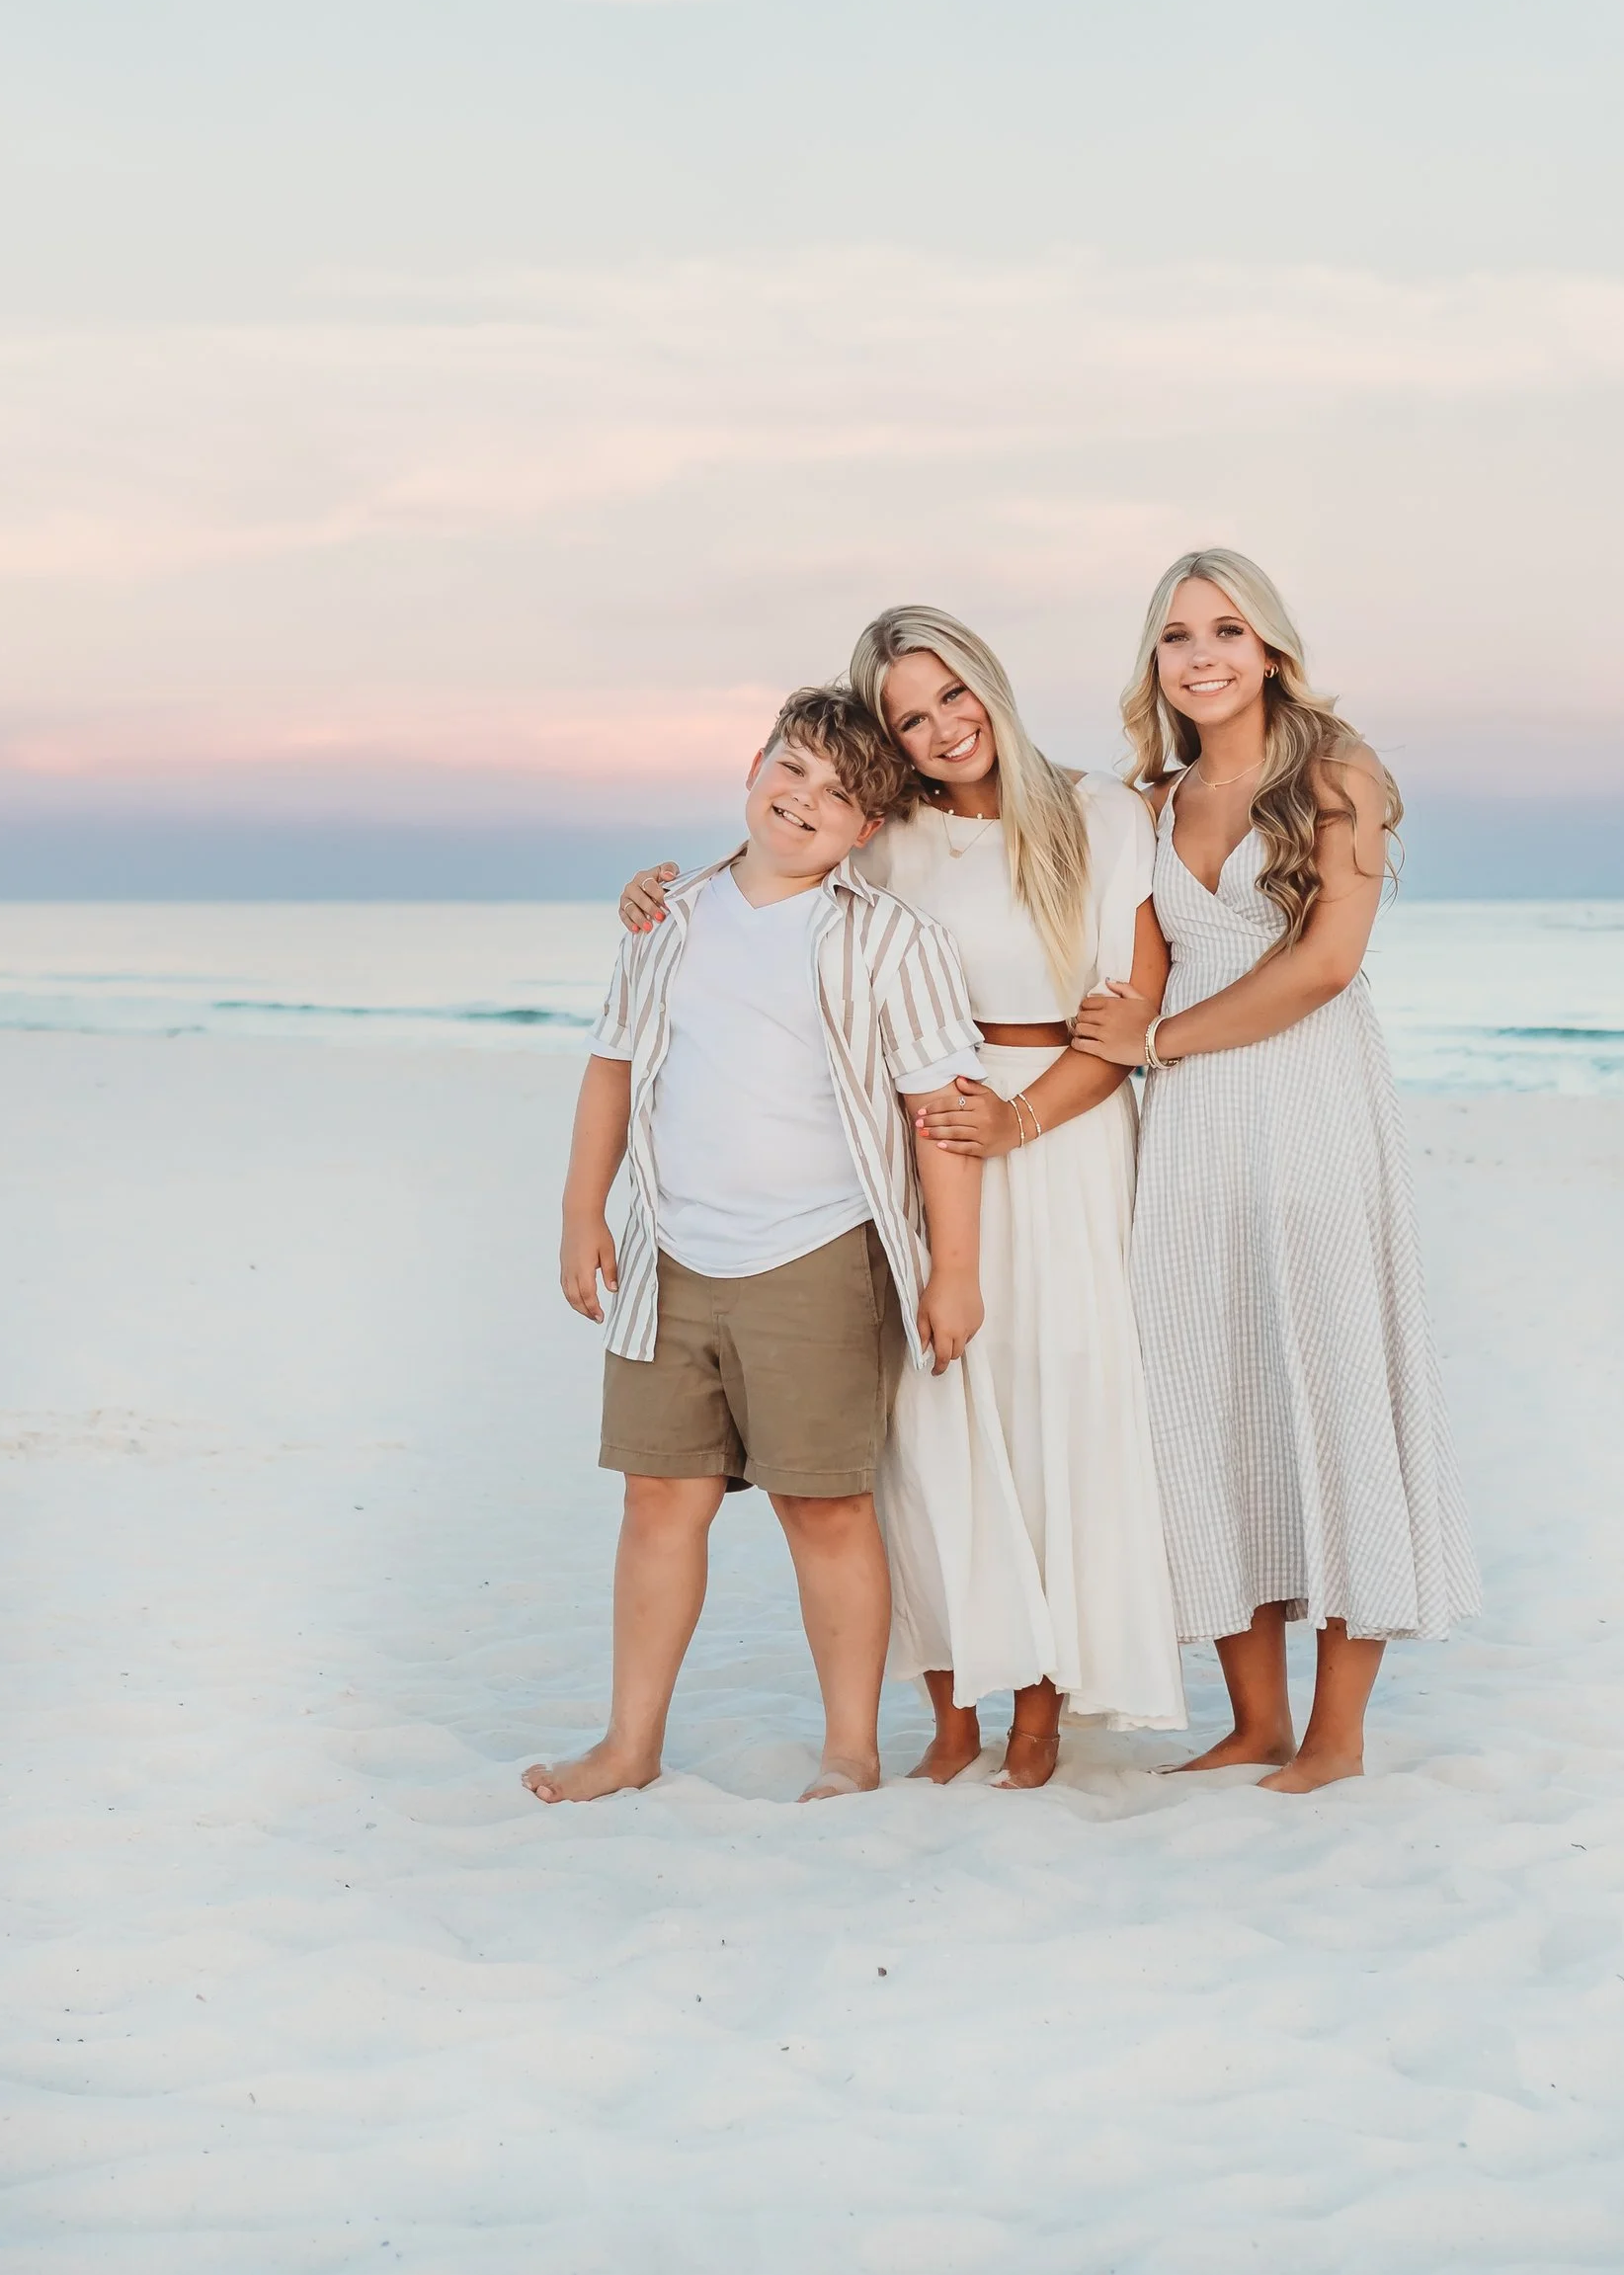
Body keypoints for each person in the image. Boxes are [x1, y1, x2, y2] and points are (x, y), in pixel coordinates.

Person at [621, 609, 1185, 1790]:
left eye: (951, 694)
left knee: (1048, 1417)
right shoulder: (887, 838)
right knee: (921, 1444)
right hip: (917, 1130)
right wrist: (651, 898)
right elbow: (777, 878)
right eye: (907, 715)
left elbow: (1131, 1012)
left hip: (1059, 1132)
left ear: (989, 679)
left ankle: (1043, 1710)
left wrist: (1021, 1116)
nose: (941, 727)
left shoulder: (1099, 813)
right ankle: (951, 1709)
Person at [528, 686, 986, 1807]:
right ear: (755, 763)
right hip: (671, 1253)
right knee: (657, 1499)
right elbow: (614, 1066)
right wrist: (583, 1211)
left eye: (837, 797)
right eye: (792, 770)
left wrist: (955, 1271)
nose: (803, 801)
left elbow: (941, 1109)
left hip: (816, 1258)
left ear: (866, 832)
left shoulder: (886, 939)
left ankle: (849, 1750)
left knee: (822, 1506)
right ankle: (628, 1742)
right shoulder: (669, 918)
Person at [1071, 549, 1480, 1792]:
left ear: (1270, 651)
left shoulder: (1337, 776)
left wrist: (1158, 1042)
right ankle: (1250, 1719)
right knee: (1206, 1393)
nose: (1202, 655)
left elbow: (1322, 966)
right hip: (1188, 1130)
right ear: (1155, 663)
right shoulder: (1145, 806)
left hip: (1305, 1106)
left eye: (1227, 631)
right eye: (1177, 636)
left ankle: (1335, 1735)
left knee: (1334, 1383)